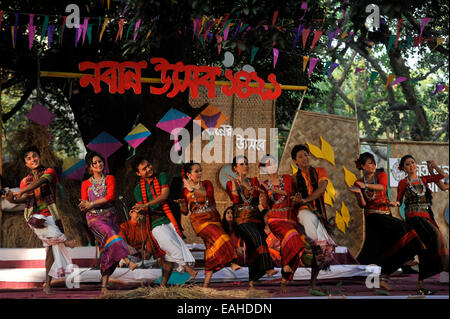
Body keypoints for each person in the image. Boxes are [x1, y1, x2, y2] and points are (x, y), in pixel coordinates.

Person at [5, 146, 77, 295]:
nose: (33, 160)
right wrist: (13, 200)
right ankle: (65, 241)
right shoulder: (25, 181)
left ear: (39, 156)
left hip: (51, 215)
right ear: (26, 163)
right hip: (34, 216)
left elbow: (40, 182)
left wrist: (20, 192)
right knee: (43, 224)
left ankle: (47, 284)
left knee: (50, 250)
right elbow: (25, 201)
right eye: (29, 158)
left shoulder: (50, 172)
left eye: (34, 156)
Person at [348, 152, 424, 291]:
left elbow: (382, 187)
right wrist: (359, 194)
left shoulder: (380, 175)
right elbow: (363, 205)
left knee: (400, 235)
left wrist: (365, 187)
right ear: (363, 166)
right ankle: (389, 272)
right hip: (373, 217)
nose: (373, 165)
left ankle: (397, 265)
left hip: (386, 215)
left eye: (374, 162)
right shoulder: (358, 182)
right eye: (369, 163)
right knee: (394, 234)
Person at [79, 151, 137, 295]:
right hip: (94, 219)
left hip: (111, 217)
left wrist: (90, 203)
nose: (99, 164)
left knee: (108, 249)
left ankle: (104, 287)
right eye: (95, 163)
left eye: (100, 161)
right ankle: (126, 259)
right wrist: (84, 205)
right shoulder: (85, 184)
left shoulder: (110, 178)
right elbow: (84, 204)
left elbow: (110, 197)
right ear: (89, 167)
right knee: (112, 236)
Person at [131, 156, 197, 281]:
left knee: (168, 256)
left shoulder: (162, 176)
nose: (149, 169)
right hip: (154, 222)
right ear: (138, 173)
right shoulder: (137, 190)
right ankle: (187, 269)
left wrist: (146, 205)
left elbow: (164, 196)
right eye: (144, 169)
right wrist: (139, 212)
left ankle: (162, 286)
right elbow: (144, 211)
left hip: (169, 218)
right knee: (170, 246)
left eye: (149, 165)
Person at [176, 162, 241, 287]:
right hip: (200, 222)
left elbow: (208, 196)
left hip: (214, 217)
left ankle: (205, 286)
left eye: (200, 171)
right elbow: (185, 212)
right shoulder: (184, 191)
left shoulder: (206, 184)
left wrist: (192, 189)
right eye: (196, 171)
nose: (200, 173)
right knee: (223, 237)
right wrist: (181, 204)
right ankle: (232, 262)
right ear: (189, 175)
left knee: (211, 250)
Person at [392, 155, 449, 294]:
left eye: (412, 162)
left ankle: (421, 282)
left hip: (427, 217)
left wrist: (434, 166)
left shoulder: (424, 179)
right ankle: (439, 268)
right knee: (435, 235)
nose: (411, 165)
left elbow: (442, 176)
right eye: (407, 164)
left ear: (416, 164)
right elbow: (399, 200)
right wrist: (395, 203)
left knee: (427, 248)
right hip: (414, 218)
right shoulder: (403, 183)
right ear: (403, 168)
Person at [225, 155, 278, 289]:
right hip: (241, 219)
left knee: (253, 246)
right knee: (257, 237)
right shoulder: (230, 183)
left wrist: (262, 193)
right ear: (235, 168)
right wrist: (235, 183)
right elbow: (236, 200)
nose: (245, 166)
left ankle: (252, 280)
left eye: (246, 164)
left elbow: (256, 196)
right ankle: (268, 267)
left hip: (255, 218)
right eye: (242, 164)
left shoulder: (253, 180)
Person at [290, 144, 336, 290]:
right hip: (303, 214)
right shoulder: (293, 179)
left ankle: (312, 283)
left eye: (306, 154)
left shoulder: (320, 171)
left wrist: (305, 199)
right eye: (300, 156)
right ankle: (288, 278)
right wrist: (297, 201)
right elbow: (292, 199)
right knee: (314, 246)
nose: (304, 158)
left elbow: (321, 189)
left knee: (320, 249)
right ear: (295, 161)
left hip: (319, 213)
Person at [259, 155, 306, 293]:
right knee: (291, 236)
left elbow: (290, 193)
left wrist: (275, 191)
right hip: (275, 218)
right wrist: (263, 195)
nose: (271, 166)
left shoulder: (286, 178)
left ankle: (284, 281)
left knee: (294, 242)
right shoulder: (264, 184)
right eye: (267, 165)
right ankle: (285, 264)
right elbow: (267, 205)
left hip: (289, 216)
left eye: (272, 163)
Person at [119, 206, 170, 278]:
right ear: (131, 213)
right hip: (132, 255)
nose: (140, 215)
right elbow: (122, 245)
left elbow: (150, 243)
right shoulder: (124, 226)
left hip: (145, 256)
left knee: (161, 257)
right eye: (138, 213)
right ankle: (131, 264)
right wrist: (138, 251)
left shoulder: (146, 226)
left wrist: (148, 252)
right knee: (123, 255)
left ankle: (138, 265)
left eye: (142, 213)